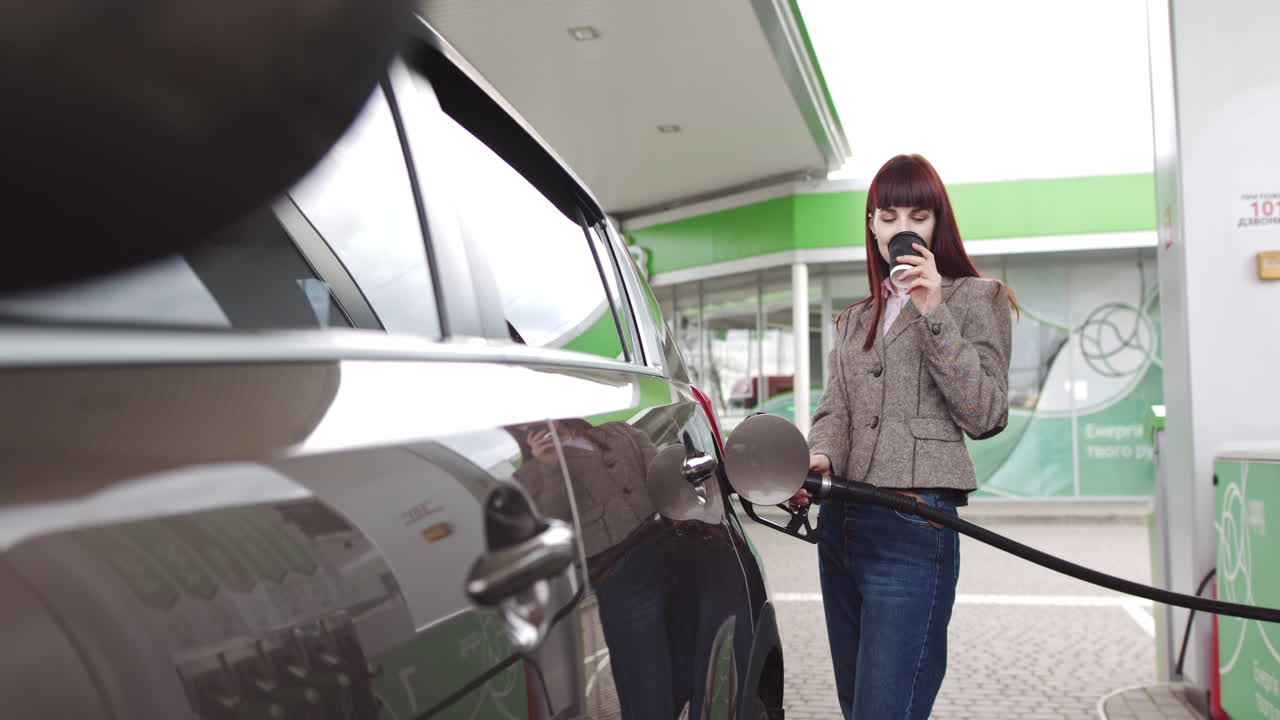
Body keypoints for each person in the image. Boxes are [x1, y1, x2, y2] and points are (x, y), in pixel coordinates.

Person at [799, 154, 1015, 719]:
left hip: (914, 523)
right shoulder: (853, 319)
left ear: (936, 224)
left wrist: (933, 310)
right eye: (888, 215)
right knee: (857, 706)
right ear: (872, 225)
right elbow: (835, 412)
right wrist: (819, 456)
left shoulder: (977, 298)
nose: (902, 228)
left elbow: (985, 413)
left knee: (885, 710)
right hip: (841, 523)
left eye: (917, 215)